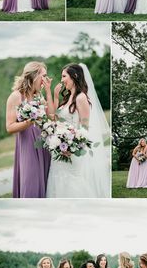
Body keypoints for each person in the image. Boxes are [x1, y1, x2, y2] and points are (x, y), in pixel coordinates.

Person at [46, 63, 110, 197]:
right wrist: (55, 96)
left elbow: (85, 128)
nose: (62, 80)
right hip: (60, 149)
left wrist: (71, 146)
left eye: (64, 76)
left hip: (72, 151)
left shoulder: (81, 98)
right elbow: (53, 118)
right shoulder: (68, 97)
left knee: (72, 182)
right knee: (57, 181)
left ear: (74, 76)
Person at [6, 61, 52, 197]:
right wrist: (29, 122)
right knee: (31, 183)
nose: (45, 79)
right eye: (43, 76)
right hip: (27, 146)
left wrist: (49, 92)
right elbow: (9, 127)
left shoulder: (39, 96)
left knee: (44, 181)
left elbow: (50, 117)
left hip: (43, 144)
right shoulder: (16, 96)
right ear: (33, 76)